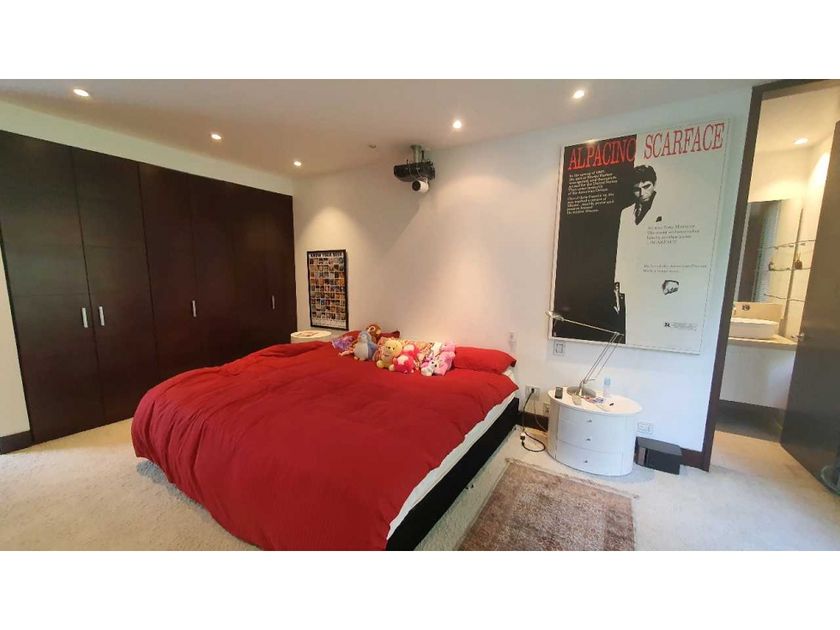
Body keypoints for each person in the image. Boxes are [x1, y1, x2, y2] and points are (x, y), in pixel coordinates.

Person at [613, 165, 661, 344]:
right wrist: (617, 284)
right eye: (636, 189)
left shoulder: (666, 209)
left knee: (649, 331)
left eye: (646, 186)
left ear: (654, 184)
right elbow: (622, 248)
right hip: (629, 280)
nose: (641, 193)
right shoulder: (626, 213)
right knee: (628, 330)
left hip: (653, 281)